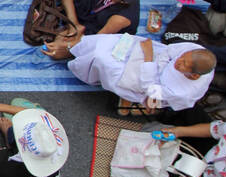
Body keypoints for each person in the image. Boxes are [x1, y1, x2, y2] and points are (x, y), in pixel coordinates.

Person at [53, 33, 217, 115]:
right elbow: (169, 52)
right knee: (111, 42)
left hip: (144, 81)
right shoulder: (195, 51)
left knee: (103, 60)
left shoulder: (183, 91)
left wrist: (147, 60)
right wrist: (155, 60)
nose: (178, 62)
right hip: (153, 59)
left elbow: (150, 89)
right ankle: (75, 48)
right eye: (182, 59)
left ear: (194, 75)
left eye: (183, 65)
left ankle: (81, 62)